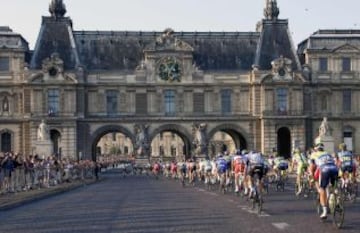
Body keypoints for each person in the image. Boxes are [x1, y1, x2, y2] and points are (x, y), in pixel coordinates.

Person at [309, 143, 338, 219]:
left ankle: (324, 211)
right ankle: (336, 199)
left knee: (322, 189)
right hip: (334, 169)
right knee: (334, 186)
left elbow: (312, 167)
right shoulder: (328, 154)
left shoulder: (314, 154)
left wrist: (311, 177)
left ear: (316, 149)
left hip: (324, 170)